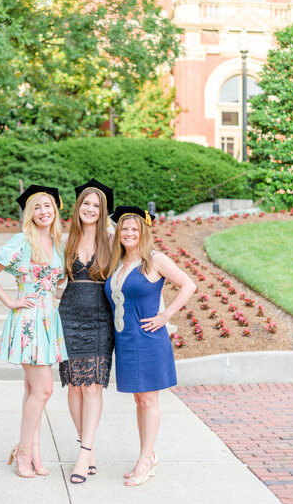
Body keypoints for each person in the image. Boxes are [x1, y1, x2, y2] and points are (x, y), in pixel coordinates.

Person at [104, 205, 196, 487]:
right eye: (124, 229)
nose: (129, 233)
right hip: (126, 341)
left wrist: (166, 316)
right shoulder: (117, 263)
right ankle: (149, 454)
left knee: (149, 400)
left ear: (143, 233)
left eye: (135, 229)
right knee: (138, 400)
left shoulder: (154, 260)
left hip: (149, 339)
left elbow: (188, 284)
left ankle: (145, 458)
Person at [0, 184, 68, 478]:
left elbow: (56, 283)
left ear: (55, 209)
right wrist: (10, 301)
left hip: (48, 319)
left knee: (33, 391)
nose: (44, 211)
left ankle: (35, 452)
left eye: (48, 206)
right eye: (38, 207)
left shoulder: (58, 243)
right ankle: (23, 450)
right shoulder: (21, 241)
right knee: (44, 390)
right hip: (28, 321)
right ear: (30, 214)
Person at [58, 178, 115, 484]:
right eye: (85, 203)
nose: (90, 208)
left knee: (93, 385)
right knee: (76, 386)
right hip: (68, 316)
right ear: (78, 207)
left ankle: (84, 452)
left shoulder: (111, 238)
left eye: (96, 205)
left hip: (100, 319)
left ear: (102, 210)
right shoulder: (64, 240)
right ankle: (87, 448)